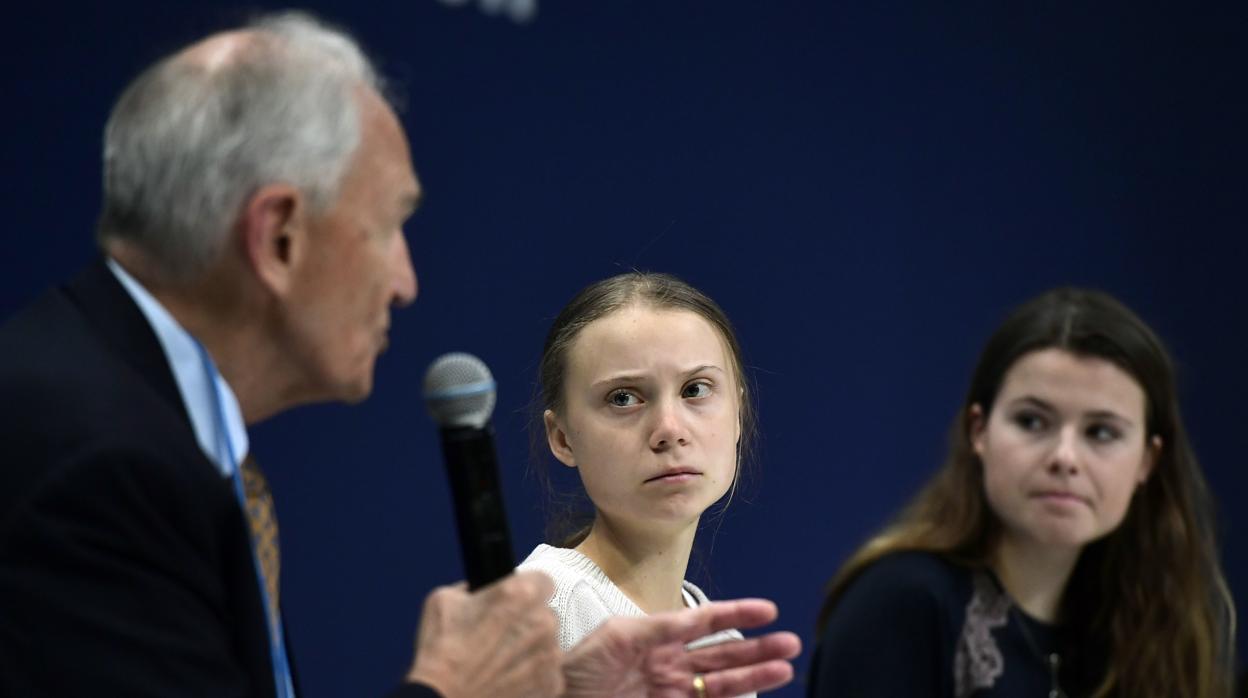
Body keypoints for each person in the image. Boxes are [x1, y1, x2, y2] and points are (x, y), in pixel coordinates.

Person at [0, 12, 799, 698]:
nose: (407, 281)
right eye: (387, 228)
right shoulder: (91, 459)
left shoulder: (139, 426)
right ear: (278, 237)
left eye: (698, 390)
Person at [808, 287, 1237, 697]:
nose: (1065, 457)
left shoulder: (1153, 627)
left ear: (1147, 459)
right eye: (1033, 422)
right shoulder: (903, 603)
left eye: (1101, 432)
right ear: (979, 431)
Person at [519, 273, 766, 675]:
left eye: (695, 390)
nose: (669, 429)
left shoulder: (723, 648)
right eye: (623, 398)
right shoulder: (538, 613)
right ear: (562, 438)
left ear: (738, 415)